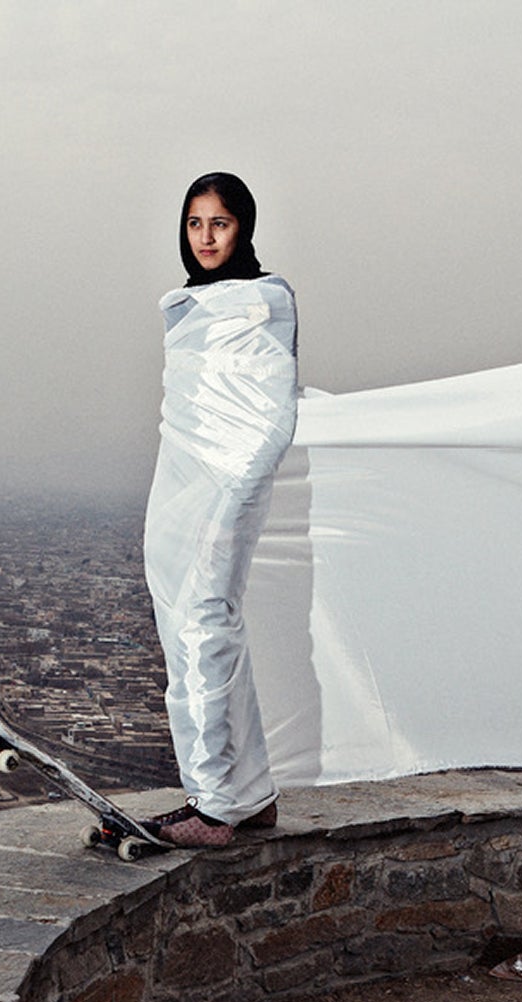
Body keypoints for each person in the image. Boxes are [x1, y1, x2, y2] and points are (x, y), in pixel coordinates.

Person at [141, 172, 300, 848]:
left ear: (244, 229)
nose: (206, 237)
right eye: (195, 223)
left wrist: (233, 491)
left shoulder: (263, 303)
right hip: (184, 485)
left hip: (228, 489)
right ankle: (250, 793)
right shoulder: (191, 306)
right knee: (197, 625)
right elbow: (191, 415)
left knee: (204, 624)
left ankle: (213, 807)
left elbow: (272, 412)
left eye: (220, 223)